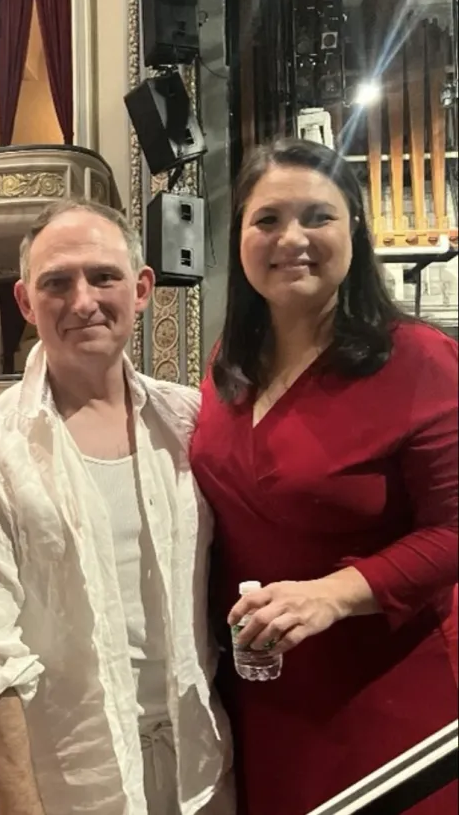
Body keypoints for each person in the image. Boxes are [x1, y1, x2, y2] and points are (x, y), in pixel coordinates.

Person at [0, 198, 234, 815]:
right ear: (25, 301)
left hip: (204, 770)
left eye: (103, 276)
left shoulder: (190, 420)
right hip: (77, 783)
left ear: (141, 289)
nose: (83, 300)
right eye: (57, 283)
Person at [189, 138, 458, 815]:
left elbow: (454, 530)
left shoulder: (420, 360)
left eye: (318, 216)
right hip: (260, 691)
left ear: (354, 228)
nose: (292, 239)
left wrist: (332, 595)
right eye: (268, 219)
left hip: (381, 689)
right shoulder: (228, 367)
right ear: (240, 237)